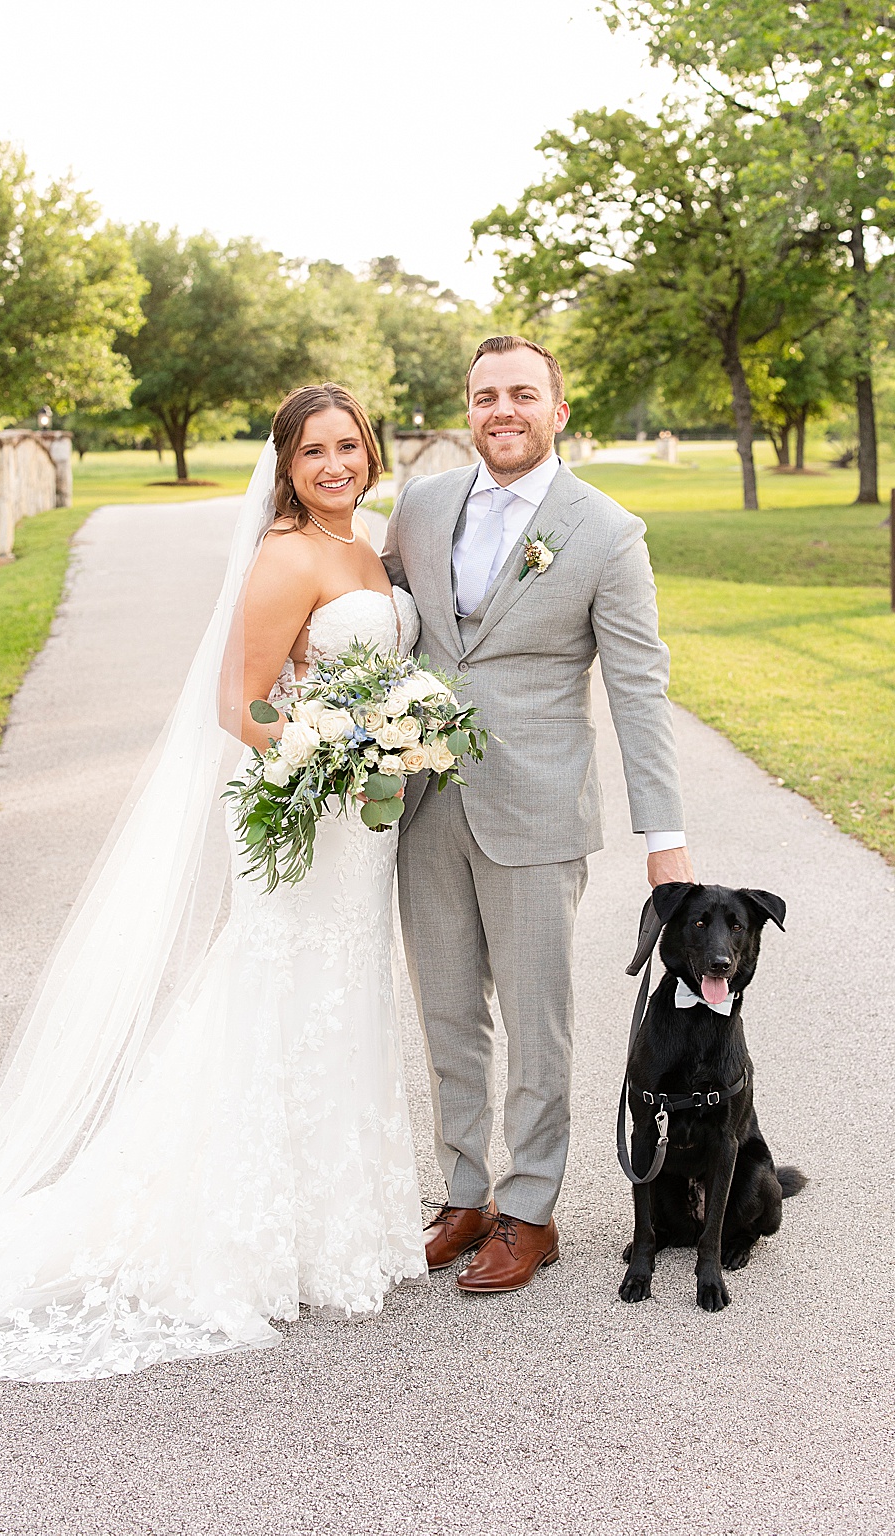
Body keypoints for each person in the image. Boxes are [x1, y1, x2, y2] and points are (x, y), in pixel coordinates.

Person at [0, 384, 426, 1383]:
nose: (336, 465)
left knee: (345, 1003)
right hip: (308, 811)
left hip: (365, 829)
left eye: (349, 446)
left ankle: (340, 1227)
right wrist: (323, 757)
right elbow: (238, 700)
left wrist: (387, 743)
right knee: (277, 996)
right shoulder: (286, 553)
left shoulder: (367, 543)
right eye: (314, 453)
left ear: (371, 451)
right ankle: (247, 1237)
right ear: (287, 467)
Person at [382, 335, 694, 1294]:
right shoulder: (421, 506)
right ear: (467, 409)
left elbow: (639, 690)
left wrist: (666, 840)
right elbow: (383, 634)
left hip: (536, 806)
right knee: (445, 1013)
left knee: (537, 1016)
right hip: (425, 798)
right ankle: (466, 1192)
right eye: (484, 396)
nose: (501, 411)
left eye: (522, 394)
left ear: (559, 410)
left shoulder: (606, 531)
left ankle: (529, 1209)